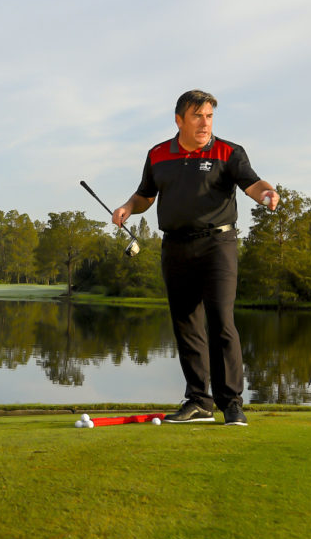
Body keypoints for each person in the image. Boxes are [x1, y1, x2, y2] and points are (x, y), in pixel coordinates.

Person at [112, 90, 279, 426]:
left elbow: (251, 182)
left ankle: (230, 403)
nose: (205, 123)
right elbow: (146, 194)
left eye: (209, 116)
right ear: (179, 120)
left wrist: (266, 193)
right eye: (198, 116)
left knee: (221, 320)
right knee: (186, 324)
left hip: (218, 245)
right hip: (175, 246)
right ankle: (199, 402)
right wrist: (128, 207)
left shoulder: (228, 151)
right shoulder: (158, 154)